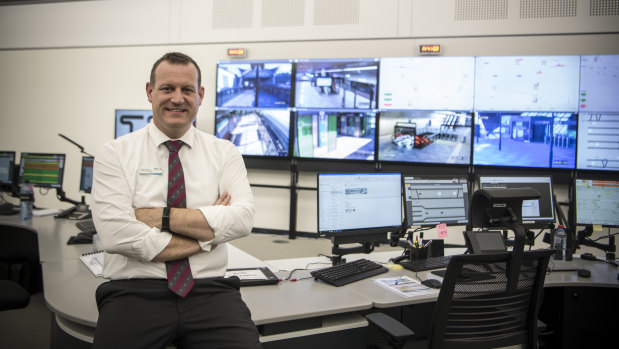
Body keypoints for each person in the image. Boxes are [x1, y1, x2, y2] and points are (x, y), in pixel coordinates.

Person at [91, 52, 262, 348]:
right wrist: (209, 236)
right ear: (150, 92)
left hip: (211, 291)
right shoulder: (114, 153)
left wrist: (159, 217)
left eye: (187, 90)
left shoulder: (225, 153)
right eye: (167, 89)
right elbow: (117, 236)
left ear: (201, 95)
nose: (177, 99)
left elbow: (242, 219)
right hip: (134, 292)